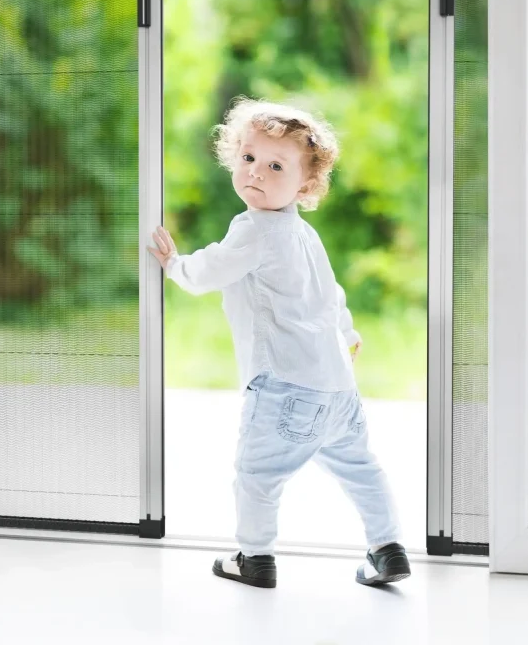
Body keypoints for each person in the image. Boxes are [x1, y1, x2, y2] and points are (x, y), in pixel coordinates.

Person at [149, 98, 409, 589]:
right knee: (360, 467)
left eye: (275, 166)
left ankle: (255, 559)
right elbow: (331, 295)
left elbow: (210, 271)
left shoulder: (253, 228)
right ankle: (388, 548)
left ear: (305, 184)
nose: (257, 174)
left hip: (285, 387)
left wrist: (175, 265)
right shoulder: (305, 235)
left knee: (258, 475)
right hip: (336, 387)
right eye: (248, 159)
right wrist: (348, 335)